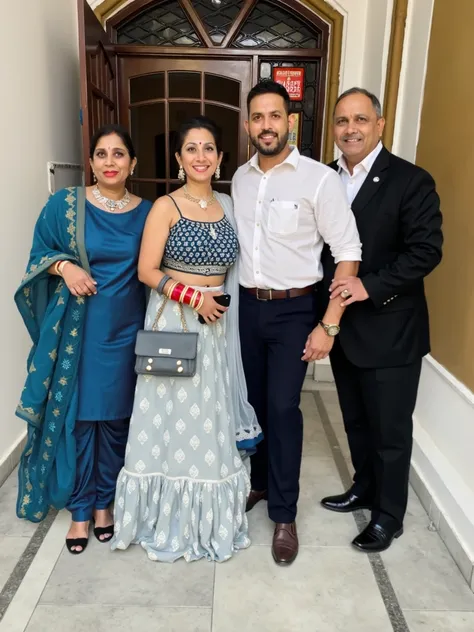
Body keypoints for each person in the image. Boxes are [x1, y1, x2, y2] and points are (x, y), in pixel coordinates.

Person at [111, 115, 262, 563]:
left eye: (208, 148)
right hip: (175, 323)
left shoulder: (227, 205)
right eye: (191, 148)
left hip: (217, 327)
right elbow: (146, 270)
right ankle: (164, 516)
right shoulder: (166, 207)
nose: (201, 156)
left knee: (208, 421)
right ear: (179, 158)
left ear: (220, 156)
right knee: (170, 418)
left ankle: (206, 517)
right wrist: (193, 297)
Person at [232, 80, 362, 565]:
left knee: (284, 407)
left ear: (290, 121)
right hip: (247, 308)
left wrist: (329, 324)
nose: (266, 125)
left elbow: (348, 251)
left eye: (274, 116)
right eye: (257, 117)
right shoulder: (240, 179)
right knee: (254, 403)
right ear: (248, 125)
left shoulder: (318, 179)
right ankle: (260, 482)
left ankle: (284, 514)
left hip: (294, 310)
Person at [15, 124, 153, 554]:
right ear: (90, 162)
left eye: (118, 154)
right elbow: (39, 254)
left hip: (128, 329)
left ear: (133, 163)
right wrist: (65, 267)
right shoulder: (65, 205)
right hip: (80, 330)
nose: (110, 162)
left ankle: (104, 505)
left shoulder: (148, 212)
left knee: (115, 420)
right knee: (78, 420)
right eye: (101, 154)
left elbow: (158, 266)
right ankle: (79, 509)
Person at [320, 87, 443, 552]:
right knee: (356, 421)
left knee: (390, 431)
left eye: (360, 119)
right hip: (345, 328)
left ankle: (389, 515)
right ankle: (364, 488)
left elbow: (425, 252)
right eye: (342, 121)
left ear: (379, 124)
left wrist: (368, 286)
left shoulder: (411, 180)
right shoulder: (325, 177)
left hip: (391, 329)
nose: (350, 129)